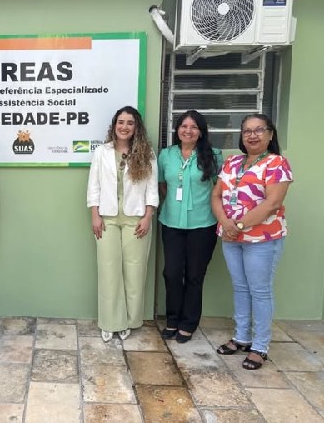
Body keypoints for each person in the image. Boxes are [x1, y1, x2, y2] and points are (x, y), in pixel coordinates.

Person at [212, 114, 292, 370]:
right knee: (240, 287)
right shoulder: (232, 162)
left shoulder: (276, 163)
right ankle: (242, 337)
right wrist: (225, 223)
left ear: (270, 134)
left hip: (261, 239)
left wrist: (238, 226)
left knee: (260, 290)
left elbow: (272, 203)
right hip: (230, 236)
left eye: (259, 130)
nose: (252, 135)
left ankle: (260, 346)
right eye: (247, 130)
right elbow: (216, 195)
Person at [87, 106, 159, 342]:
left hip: (136, 219)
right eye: (121, 122)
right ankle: (111, 322)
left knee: (135, 270)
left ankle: (129, 320)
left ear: (136, 127)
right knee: (108, 270)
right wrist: (95, 215)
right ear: (114, 125)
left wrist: (148, 216)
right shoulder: (102, 152)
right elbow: (94, 186)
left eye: (130, 123)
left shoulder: (146, 153)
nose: (124, 127)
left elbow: (152, 188)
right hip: (107, 218)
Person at [158, 110, 223, 343]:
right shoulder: (166, 155)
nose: (188, 130)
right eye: (184, 126)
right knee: (172, 273)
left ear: (201, 131)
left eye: (194, 127)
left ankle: (188, 324)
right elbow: (162, 185)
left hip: (203, 224)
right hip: (171, 223)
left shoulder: (214, 155)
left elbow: (219, 189)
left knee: (195, 275)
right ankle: (173, 319)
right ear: (177, 129)